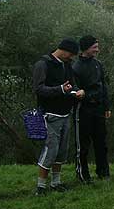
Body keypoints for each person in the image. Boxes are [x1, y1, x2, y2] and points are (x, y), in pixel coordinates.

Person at [32, 38, 85, 195]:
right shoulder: (42, 64)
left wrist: (78, 91)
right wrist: (60, 89)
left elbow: (71, 85)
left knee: (61, 151)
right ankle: (40, 187)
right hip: (49, 115)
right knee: (50, 150)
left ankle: (56, 183)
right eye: (71, 55)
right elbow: (38, 89)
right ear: (65, 51)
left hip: (65, 114)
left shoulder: (66, 65)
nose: (72, 58)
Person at [73, 35, 112, 183]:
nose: (97, 50)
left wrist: (107, 106)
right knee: (83, 144)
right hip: (84, 110)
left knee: (101, 142)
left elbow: (103, 85)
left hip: (99, 108)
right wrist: (86, 95)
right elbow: (76, 90)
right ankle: (83, 175)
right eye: (94, 47)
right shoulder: (76, 67)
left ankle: (104, 172)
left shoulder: (98, 64)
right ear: (86, 49)